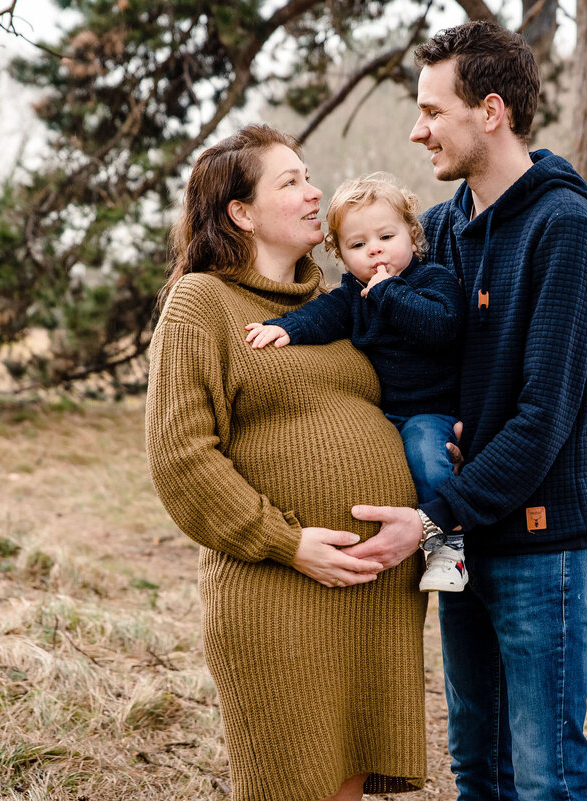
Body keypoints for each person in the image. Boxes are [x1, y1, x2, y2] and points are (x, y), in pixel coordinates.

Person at [342, 21, 587, 801]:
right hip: (465, 546)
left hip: (542, 547)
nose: (416, 128)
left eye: (433, 110)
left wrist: (431, 518)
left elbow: (543, 416)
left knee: (543, 781)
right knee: (479, 772)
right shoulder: (440, 231)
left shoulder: (565, 231)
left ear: (490, 111)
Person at [145, 125, 427, 801]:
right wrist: (287, 541)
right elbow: (180, 457)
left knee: (344, 786)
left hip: (374, 595)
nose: (314, 191)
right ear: (242, 213)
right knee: (288, 783)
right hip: (279, 591)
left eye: (309, 176)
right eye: (291, 181)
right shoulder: (202, 302)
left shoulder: (335, 303)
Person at [244, 174, 468, 592]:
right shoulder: (352, 293)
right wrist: (286, 328)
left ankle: (448, 547)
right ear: (342, 255)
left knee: (424, 452)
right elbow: (323, 315)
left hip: (431, 411)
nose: (375, 250)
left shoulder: (432, 280)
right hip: (386, 413)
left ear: (412, 235)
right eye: (358, 245)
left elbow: (441, 328)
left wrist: (388, 292)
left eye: (386, 236)